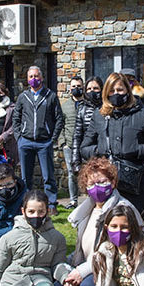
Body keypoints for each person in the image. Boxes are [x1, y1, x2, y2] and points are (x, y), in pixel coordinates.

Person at [55, 157, 143, 286]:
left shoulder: (123, 209)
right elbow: (83, 249)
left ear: (113, 182)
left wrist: (81, 272)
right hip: (91, 265)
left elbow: (114, 252)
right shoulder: (87, 210)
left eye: (102, 182)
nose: (97, 187)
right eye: (92, 184)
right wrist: (67, 273)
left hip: (115, 268)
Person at [80, 72, 144, 220]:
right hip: (107, 182)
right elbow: (84, 148)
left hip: (135, 183)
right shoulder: (99, 116)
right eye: (111, 91)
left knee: (134, 226)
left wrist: (136, 150)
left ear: (127, 91)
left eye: (120, 90)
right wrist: (101, 151)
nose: (116, 94)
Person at [11, 66, 64, 213]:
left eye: (36, 76)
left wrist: (53, 138)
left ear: (41, 77)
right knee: (25, 177)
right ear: (27, 79)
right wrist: (19, 137)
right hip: (26, 141)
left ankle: (51, 204)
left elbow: (59, 118)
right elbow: (16, 118)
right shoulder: (23, 97)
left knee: (48, 176)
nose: (34, 79)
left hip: (44, 142)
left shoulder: (50, 96)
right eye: (31, 77)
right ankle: (27, 204)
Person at [71, 76, 102, 181]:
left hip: (104, 156)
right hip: (87, 156)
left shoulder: (107, 107)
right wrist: (76, 162)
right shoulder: (82, 109)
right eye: (89, 89)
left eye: (96, 88)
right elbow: (77, 136)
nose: (92, 91)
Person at [59, 76, 84, 209]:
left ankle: (89, 199)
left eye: (79, 86)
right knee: (71, 173)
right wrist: (63, 143)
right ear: (70, 89)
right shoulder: (65, 106)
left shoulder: (87, 104)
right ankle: (73, 200)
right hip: (69, 144)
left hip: (85, 145)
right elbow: (60, 125)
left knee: (87, 172)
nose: (76, 88)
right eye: (74, 86)